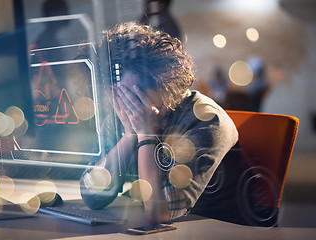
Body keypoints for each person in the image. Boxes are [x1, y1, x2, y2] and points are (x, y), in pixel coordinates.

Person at [79, 22, 239, 224]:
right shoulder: (121, 113)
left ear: (164, 86)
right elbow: (92, 196)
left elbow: (158, 214)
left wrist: (146, 134)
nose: (127, 107)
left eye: (134, 96)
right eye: (119, 96)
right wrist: (130, 136)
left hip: (218, 229)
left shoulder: (206, 120)